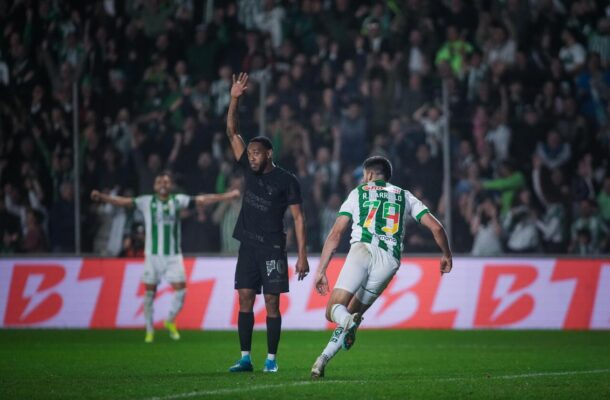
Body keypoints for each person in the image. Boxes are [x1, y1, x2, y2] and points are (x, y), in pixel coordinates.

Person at [310, 156, 452, 378]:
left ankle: (347, 321)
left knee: (334, 311)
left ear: (368, 175)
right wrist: (446, 255)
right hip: (389, 262)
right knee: (353, 315)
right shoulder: (405, 196)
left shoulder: (358, 192)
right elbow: (437, 228)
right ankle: (322, 360)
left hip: (362, 250)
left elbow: (335, 233)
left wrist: (321, 270)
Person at [90, 172, 239, 343]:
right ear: (154, 185)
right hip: (153, 256)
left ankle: (169, 320)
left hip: (173, 256)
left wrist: (227, 196)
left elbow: (202, 200)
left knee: (182, 291)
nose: (163, 184)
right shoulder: (146, 201)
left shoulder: (177, 200)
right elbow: (123, 202)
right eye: (159, 181)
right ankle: (149, 330)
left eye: (166, 182)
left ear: (170, 185)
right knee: (149, 293)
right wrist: (102, 197)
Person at [225, 73, 309, 373]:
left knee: (272, 302)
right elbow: (233, 132)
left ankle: (271, 360)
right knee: (245, 298)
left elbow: (299, 218)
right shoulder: (249, 171)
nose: (251, 158)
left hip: (273, 247)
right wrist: (234, 98)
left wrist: (301, 255)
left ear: (268, 154)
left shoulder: (287, 180)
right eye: (249, 154)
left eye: (257, 153)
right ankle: (245, 357)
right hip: (248, 245)